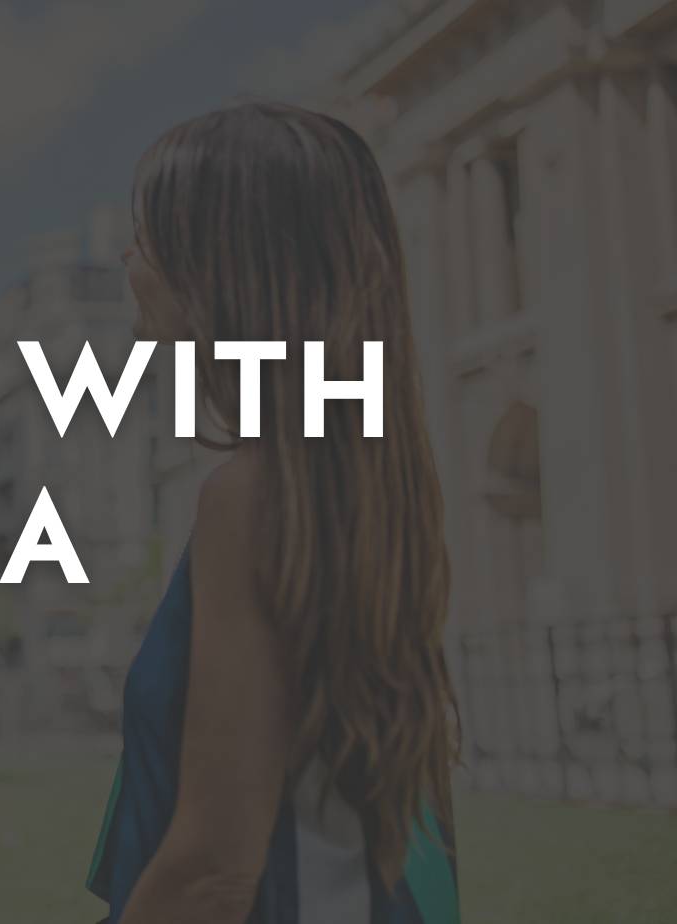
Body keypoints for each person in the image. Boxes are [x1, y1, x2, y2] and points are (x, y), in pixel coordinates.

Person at [87, 102, 461, 923]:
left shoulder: (249, 497)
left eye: (146, 240)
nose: (128, 261)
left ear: (217, 269)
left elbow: (215, 869)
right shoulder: (365, 478)